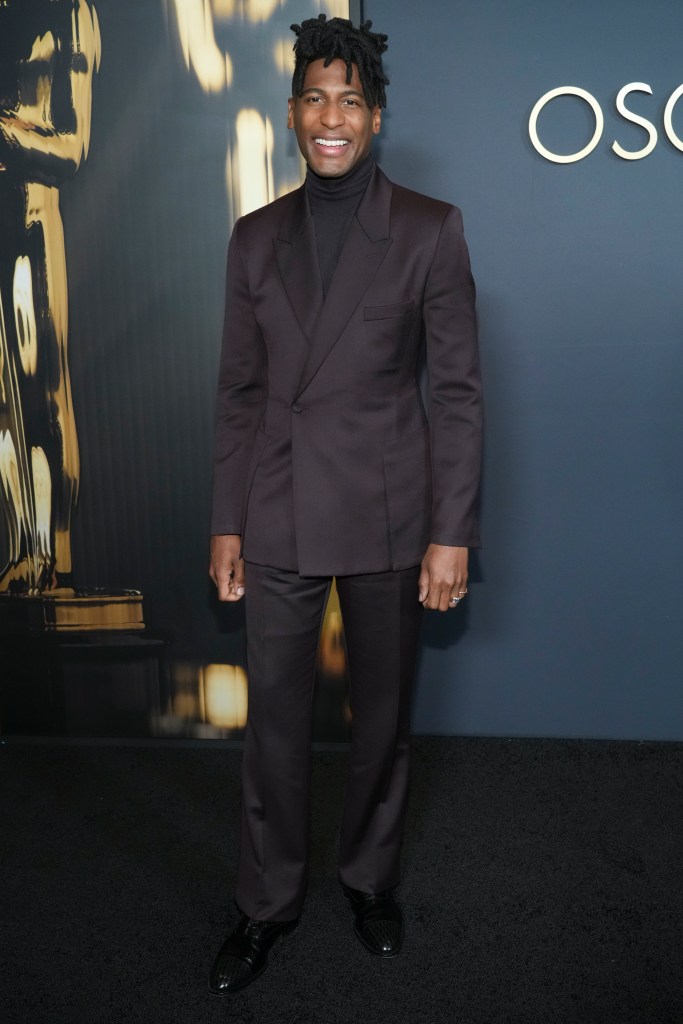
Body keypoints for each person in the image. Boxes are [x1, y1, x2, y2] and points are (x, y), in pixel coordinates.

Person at [208, 14, 483, 995]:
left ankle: (368, 880)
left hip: (387, 512)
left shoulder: (427, 227)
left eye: (350, 100)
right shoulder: (252, 239)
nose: (332, 117)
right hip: (277, 504)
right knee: (273, 724)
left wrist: (451, 530)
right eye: (315, 98)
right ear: (291, 113)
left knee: (380, 718)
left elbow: (452, 393)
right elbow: (239, 394)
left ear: (374, 116)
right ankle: (265, 901)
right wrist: (226, 521)